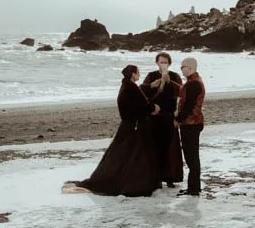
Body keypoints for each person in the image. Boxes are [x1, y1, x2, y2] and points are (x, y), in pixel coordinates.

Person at [63, 65, 163, 197]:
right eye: (138, 72)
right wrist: (154, 108)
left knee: (122, 153)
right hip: (134, 126)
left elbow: (137, 103)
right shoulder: (131, 87)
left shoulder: (126, 86)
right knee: (132, 154)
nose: (139, 75)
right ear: (133, 74)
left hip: (127, 125)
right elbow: (142, 104)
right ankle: (132, 183)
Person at [141, 52, 184, 188]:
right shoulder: (151, 75)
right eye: (161, 62)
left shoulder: (175, 76)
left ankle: (169, 177)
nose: (163, 64)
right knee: (154, 147)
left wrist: (169, 82)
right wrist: (154, 85)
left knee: (169, 147)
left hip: (169, 115)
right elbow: (143, 92)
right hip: (154, 116)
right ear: (157, 63)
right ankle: (155, 177)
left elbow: (182, 91)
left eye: (165, 62)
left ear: (169, 63)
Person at [174, 57, 205, 196]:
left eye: (183, 67)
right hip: (192, 123)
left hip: (191, 123)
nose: (181, 69)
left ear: (190, 68)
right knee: (191, 157)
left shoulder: (194, 84)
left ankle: (194, 189)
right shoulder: (193, 82)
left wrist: (178, 119)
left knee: (191, 157)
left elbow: (189, 104)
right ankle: (193, 187)